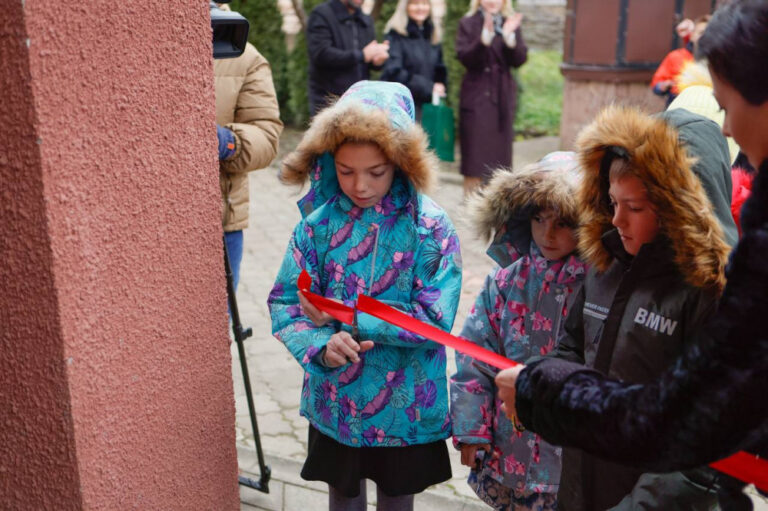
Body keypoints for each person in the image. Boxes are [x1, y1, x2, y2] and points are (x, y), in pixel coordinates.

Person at [495, 0, 768, 504]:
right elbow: (572, 347)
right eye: (612, 204)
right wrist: (551, 384)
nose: (727, 129)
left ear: (678, 205)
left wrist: (547, 393)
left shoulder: (713, 292)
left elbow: (693, 429)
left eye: (727, 106)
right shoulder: (604, 262)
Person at [268, 81, 462, 511]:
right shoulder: (316, 226)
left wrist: (354, 319)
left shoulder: (430, 229)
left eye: (376, 171)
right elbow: (285, 302)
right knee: (343, 496)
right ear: (327, 161)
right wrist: (320, 344)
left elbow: (435, 318)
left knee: (398, 499)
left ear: (401, 161)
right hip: (335, 400)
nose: (359, 185)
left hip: (405, 403)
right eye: (345, 170)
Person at [450, 152, 587, 511]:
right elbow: (473, 354)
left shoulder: (597, 291)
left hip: (567, 460)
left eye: (563, 223)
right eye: (539, 219)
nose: (548, 233)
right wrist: (471, 428)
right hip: (507, 449)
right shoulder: (506, 282)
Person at [214, 41, 283, 290]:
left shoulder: (242, 53)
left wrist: (227, 142)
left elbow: (266, 137)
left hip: (220, 223)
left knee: (217, 320)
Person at [456, 0, 527, 197]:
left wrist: (509, 38)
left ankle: (495, 216)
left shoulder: (509, 22)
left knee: (500, 167)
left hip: (502, 99)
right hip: (477, 99)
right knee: (474, 163)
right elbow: (464, 57)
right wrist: (483, 40)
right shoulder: (468, 23)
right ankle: (470, 214)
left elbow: (519, 59)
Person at [306, 0, 390, 116]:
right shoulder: (322, 14)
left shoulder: (365, 20)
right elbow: (321, 54)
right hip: (328, 103)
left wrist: (378, 60)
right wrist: (362, 55)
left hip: (360, 102)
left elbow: (367, 60)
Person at [380, 0, 447, 120]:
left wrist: (440, 84)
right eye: (415, 3)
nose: (420, 7)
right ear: (406, 7)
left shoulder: (432, 35)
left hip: (428, 106)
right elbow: (394, 72)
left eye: (425, 3)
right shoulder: (395, 35)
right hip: (401, 107)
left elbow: (439, 66)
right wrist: (429, 87)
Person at [650, 15, 710, 106]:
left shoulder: (719, 59)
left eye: (709, 33)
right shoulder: (675, 57)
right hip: (677, 105)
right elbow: (656, 86)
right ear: (692, 35)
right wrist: (665, 85)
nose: (705, 37)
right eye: (701, 33)